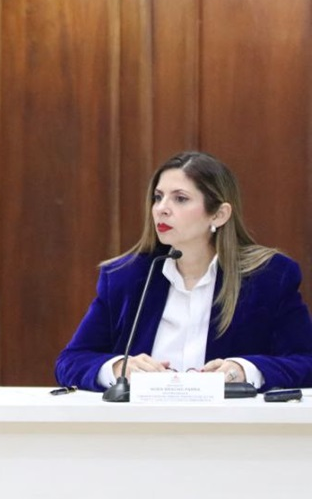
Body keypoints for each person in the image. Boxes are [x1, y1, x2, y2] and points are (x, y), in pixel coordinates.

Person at [55, 151, 312, 392]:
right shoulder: (126, 277)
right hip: (142, 422)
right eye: (158, 197)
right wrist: (118, 368)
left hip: (230, 423)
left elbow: (305, 361)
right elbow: (71, 361)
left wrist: (245, 370)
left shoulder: (269, 277)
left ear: (219, 215)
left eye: (180, 198)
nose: (161, 209)